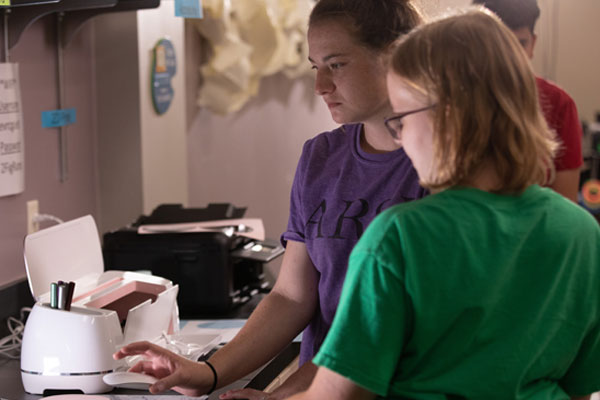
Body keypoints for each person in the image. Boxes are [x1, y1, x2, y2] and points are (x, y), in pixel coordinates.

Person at [112, 1, 426, 398]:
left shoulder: (444, 167)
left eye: (337, 65)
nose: (320, 86)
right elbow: (292, 295)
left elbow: (388, 333)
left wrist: (286, 397)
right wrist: (209, 373)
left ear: (395, 56)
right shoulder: (322, 158)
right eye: (316, 67)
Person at [287, 8, 600, 400]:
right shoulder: (581, 231)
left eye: (401, 118)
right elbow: (580, 388)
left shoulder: (399, 235)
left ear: (449, 117)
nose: (399, 137)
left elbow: (340, 395)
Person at [473, 0, 584, 202]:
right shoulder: (457, 100)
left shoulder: (559, 104)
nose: (511, 57)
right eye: (501, 44)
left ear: (533, 44)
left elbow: (566, 207)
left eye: (521, 43)